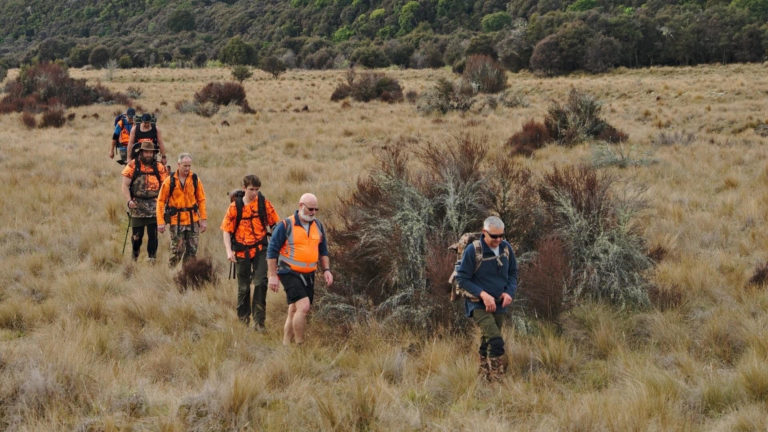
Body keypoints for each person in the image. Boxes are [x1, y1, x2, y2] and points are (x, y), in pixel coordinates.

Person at [455, 216, 517, 381]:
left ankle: (483, 373)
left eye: (501, 236)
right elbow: (462, 278)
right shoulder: (473, 250)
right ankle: (497, 377)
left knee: (487, 339)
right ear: (484, 232)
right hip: (477, 304)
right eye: (494, 236)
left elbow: (512, 274)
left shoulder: (506, 248)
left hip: (499, 304)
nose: (498, 240)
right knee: (496, 340)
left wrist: (509, 292)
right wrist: (483, 294)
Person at [267, 193, 333, 345]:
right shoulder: (286, 225)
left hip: (309, 274)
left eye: (316, 209)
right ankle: (299, 344)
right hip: (288, 271)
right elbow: (272, 251)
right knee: (304, 306)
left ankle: (285, 344)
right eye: (310, 209)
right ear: (301, 206)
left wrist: (326, 270)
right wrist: (273, 275)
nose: (313, 212)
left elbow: (323, 251)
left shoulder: (318, 226)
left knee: (294, 309)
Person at [221, 175, 280, 331]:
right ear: (244, 188)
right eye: (251, 189)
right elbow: (226, 231)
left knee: (261, 283)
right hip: (241, 251)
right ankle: (243, 321)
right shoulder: (235, 207)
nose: (254, 193)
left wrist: (277, 241)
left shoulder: (264, 204)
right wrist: (229, 251)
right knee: (244, 288)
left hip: (261, 249)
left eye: (257, 189)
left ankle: (259, 323)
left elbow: (275, 225)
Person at [156, 153, 208, 267]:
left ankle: (186, 275)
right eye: (185, 166)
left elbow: (201, 200)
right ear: (178, 165)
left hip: (193, 220)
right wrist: (160, 222)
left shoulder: (194, 179)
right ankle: (170, 273)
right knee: (177, 250)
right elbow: (160, 201)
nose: (187, 168)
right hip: (176, 221)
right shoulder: (169, 181)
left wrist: (203, 219)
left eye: (189, 165)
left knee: (192, 251)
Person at [121, 141, 169, 262]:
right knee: (137, 237)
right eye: (146, 152)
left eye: (151, 152)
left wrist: (164, 204)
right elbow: (125, 186)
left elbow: (165, 187)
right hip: (137, 206)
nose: (148, 155)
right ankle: (134, 259)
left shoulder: (159, 167)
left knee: (153, 236)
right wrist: (129, 201)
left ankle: (152, 260)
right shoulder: (132, 165)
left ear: (154, 153)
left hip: (155, 207)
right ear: (141, 152)